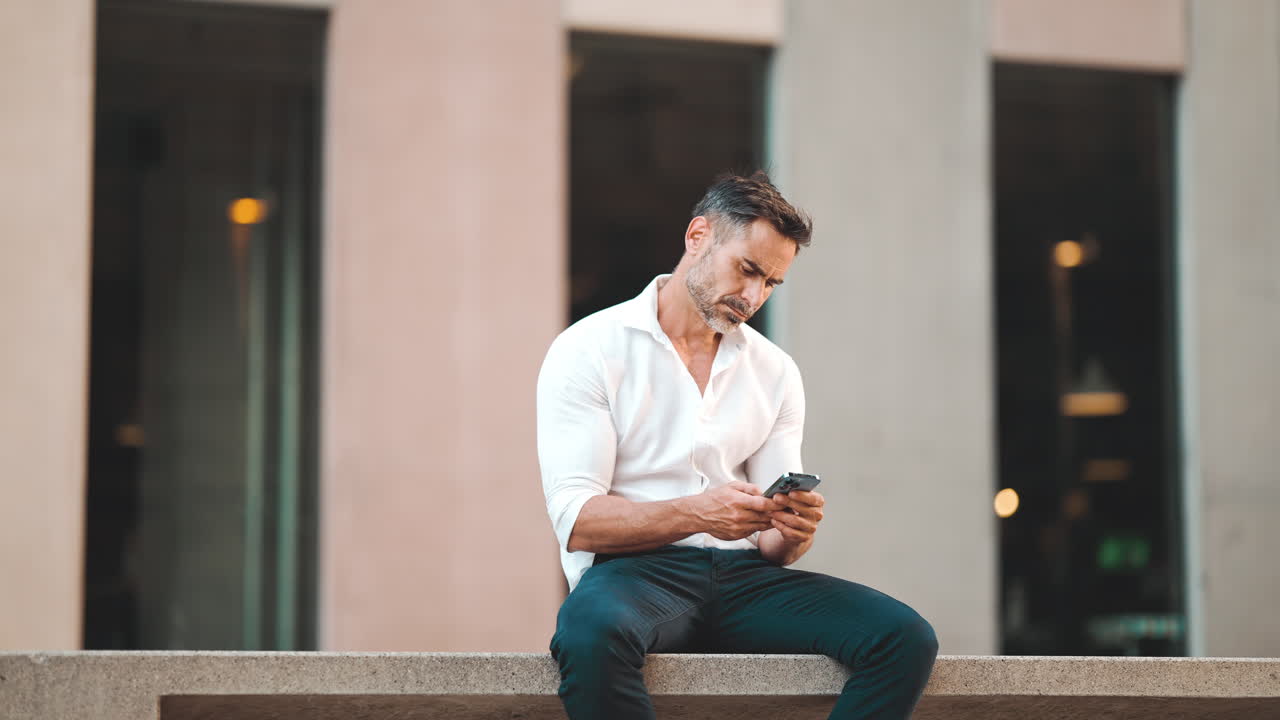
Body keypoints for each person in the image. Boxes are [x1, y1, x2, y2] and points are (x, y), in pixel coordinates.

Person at [536, 171, 938, 719]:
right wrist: (698, 512)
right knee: (587, 632)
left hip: (747, 580)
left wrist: (790, 533)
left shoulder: (774, 371)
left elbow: (775, 542)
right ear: (697, 236)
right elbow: (579, 521)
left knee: (904, 637)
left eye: (771, 283)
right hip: (634, 575)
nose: (753, 296)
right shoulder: (589, 350)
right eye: (747, 270)